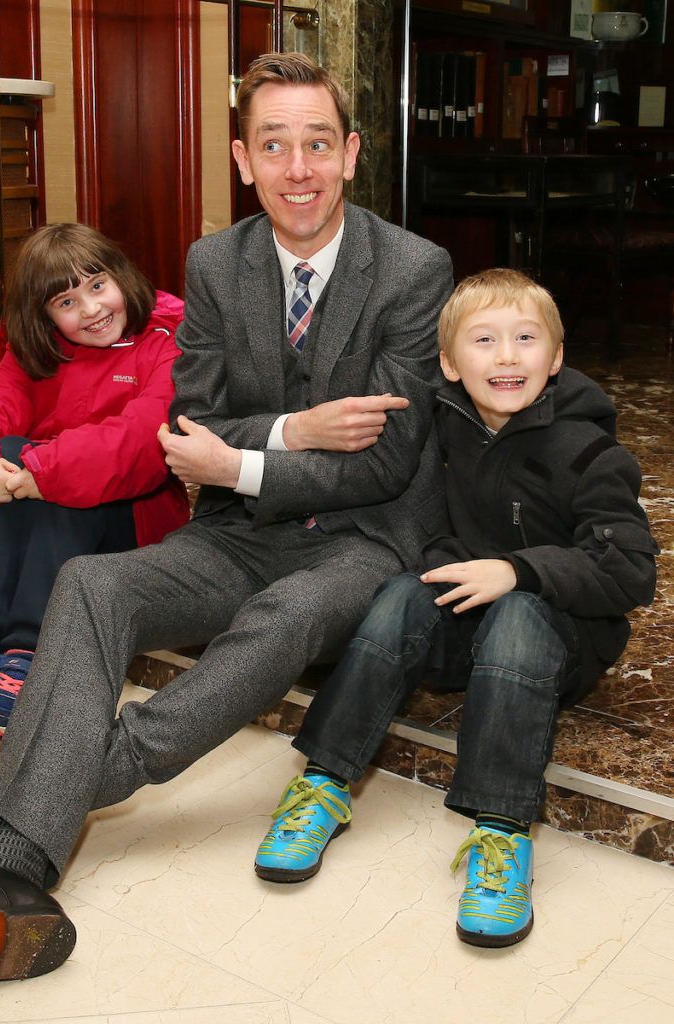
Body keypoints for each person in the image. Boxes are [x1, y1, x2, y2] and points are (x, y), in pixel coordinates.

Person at [0, 52, 453, 985]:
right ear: (242, 157)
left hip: (359, 540)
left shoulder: (415, 269)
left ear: (348, 153)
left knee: (287, 616)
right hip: (234, 529)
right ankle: (10, 850)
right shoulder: (216, 263)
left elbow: (384, 456)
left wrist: (239, 458)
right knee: (94, 583)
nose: (295, 168)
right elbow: (198, 421)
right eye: (273, 145)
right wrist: (292, 432)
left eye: (314, 144)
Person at [254, 268, 658, 948]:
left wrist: (517, 570)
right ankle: (323, 784)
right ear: (448, 362)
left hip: (558, 641)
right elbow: (441, 530)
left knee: (521, 613)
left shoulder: (590, 452)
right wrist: (444, 565)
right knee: (399, 595)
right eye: (484, 340)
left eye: (525, 339)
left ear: (554, 358)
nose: (506, 356)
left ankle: (500, 834)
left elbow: (629, 573)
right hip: (471, 631)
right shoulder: (448, 431)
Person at [0, 223, 190, 743]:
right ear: (43, 316)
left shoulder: (167, 341)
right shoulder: (38, 352)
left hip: (134, 520)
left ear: (121, 277)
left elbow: (141, 444)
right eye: (66, 301)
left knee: (51, 464)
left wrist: (42, 471)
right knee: (2, 454)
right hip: (49, 517)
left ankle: (29, 655)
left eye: (97, 285)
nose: (90, 309)